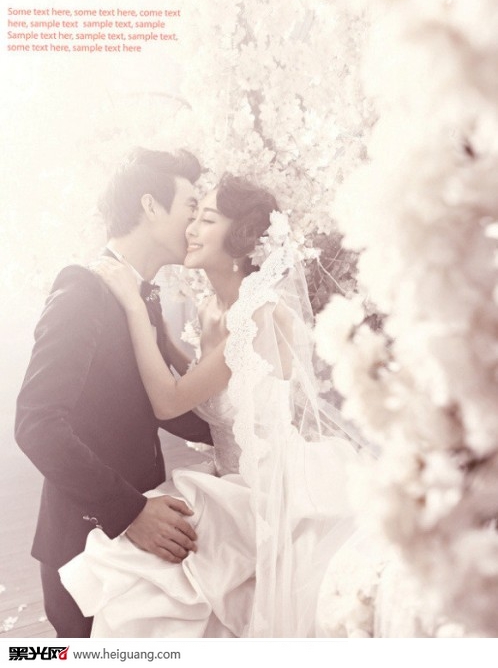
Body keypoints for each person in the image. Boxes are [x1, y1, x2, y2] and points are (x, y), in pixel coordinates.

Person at [60, 174, 361, 638]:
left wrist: (135, 310)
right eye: (194, 216)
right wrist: (162, 338)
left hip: (267, 487)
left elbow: (170, 401)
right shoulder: (209, 310)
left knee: (153, 585)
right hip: (231, 480)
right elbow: (211, 386)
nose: (192, 229)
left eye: (208, 219)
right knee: (153, 584)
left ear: (241, 237)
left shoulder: (258, 313)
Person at [15, 148, 213, 638]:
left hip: (139, 547)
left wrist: (245, 430)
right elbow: (37, 424)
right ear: (150, 206)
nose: (195, 224)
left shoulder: (141, 295)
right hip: (85, 550)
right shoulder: (82, 290)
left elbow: (159, 403)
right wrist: (130, 513)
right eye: (190, 206)